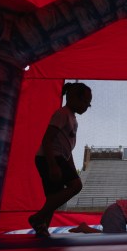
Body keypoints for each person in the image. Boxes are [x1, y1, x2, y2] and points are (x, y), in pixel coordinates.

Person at [28, 82, 92, 237]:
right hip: (50, 157)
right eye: (85, 102)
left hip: (58, 157)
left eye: (88, 104)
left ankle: (42, 228)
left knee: (53, 198)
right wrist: (53, 165)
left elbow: (67, 151)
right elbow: (47, 140)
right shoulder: (62, 114)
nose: (87, 106)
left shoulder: (72, 118)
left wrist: (69, 167)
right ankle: (38, 217)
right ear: (72, 98)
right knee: (76, 185)